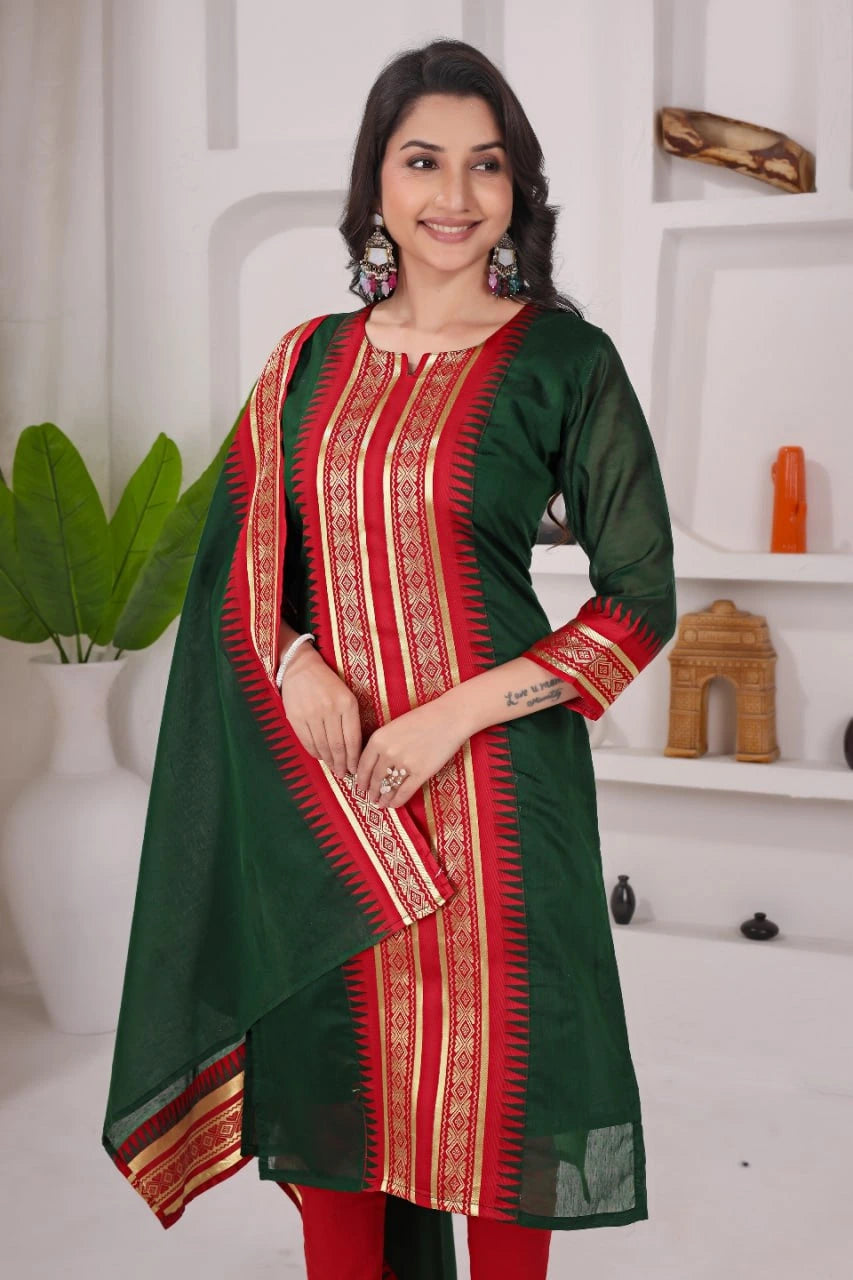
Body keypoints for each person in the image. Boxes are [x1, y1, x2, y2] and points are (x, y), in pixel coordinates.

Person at [101, 37, 676, 1280]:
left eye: (486, 165)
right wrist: (300, 656)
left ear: (518, 189)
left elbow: (638, 602)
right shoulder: (307, 362)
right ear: (376, 185)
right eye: (423, 162)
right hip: (330, 814)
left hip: (504, 812)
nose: (454, 196)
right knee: (338, 1114)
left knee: (508, 1111)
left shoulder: (564, 365)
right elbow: (239, 569)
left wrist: (446, 718)